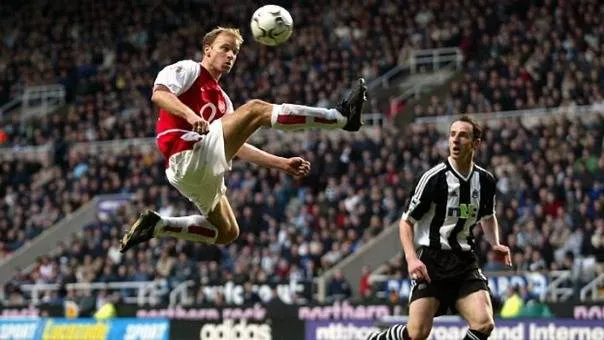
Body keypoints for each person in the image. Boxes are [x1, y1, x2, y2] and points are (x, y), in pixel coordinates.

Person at [120, 27, 367, 252]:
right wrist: (189, 114)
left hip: (195, 169)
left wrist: (280, 163)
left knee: (227, 232)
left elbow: (236, 147)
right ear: (208, 50)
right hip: (186, 151)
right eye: (224, 48)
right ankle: (340, 117)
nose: (230, 56)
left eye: (234, 52)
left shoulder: (224, 101)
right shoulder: (189, 70)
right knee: (257, 109)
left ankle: (159, 226)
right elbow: (159, 95)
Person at [368, 116, 511, 340]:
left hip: (464, 261)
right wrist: (411, 258)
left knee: (484, 324)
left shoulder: (485, 181)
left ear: (476, 143)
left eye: (463, 135)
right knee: (417, 334)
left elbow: (488, 215)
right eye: (452, 134)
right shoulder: (433, 179)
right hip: (431, 262)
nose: (455, 140)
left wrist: (495, 243)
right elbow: (406, 222)